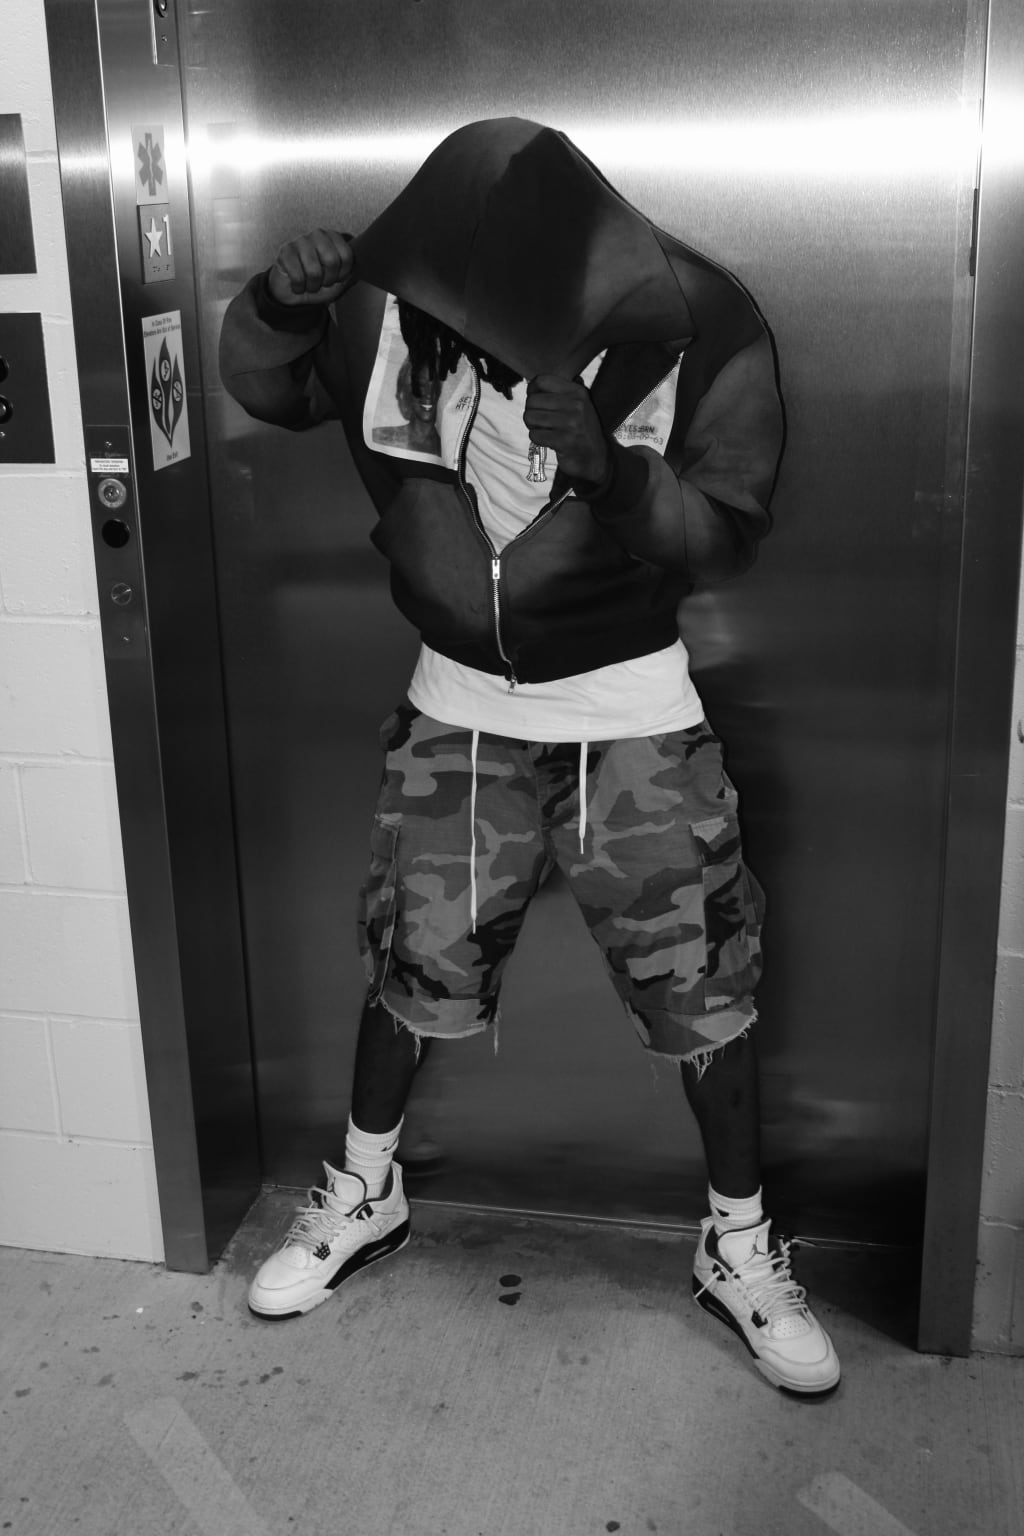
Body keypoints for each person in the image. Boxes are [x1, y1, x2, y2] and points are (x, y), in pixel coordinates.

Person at [219, 117, 840, 1396]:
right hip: (454, 712)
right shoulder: (389, 302)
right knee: (411, 965)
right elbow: (272, 390)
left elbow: (725, 529)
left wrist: (612, 474)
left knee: (703, 990)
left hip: (633, 716)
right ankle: (364, 1194)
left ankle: (738, 1246)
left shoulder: (701, 320)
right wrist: (276, 308)